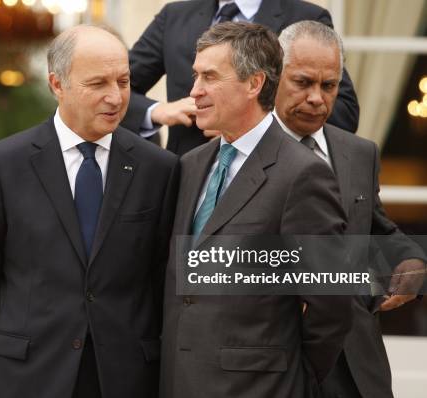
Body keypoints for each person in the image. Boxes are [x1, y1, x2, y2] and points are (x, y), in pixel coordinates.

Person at [0, 25, 179, 398]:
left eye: (123, 81)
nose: (115, 97)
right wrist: (9, 352)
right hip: (27, 376)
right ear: (57, 85)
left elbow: (160, 282)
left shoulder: (160, 169)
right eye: (97, 84)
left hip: (126, 377)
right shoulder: (2, 165)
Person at [160, 22, 352, 398]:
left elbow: (332, 305)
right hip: (178, 381)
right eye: (196, 76)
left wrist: (293, 377)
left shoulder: (304, 174)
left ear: (254, 84)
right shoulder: (190, 164)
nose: (194, 91)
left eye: (209, 77)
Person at [274, 20, 427, 398]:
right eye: (303, 82)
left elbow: (377, 227)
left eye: (329, 86)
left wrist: (411, 261)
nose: (317, 98)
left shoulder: (360, 153)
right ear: (272, 76)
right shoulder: (241, 153)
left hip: (357, 362)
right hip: (276, 362)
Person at [122, 0, 360, 155]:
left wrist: (249, 122)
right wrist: (157, 111)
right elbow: (116, 86)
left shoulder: (306, 17)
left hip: (270, 177)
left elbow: (343, 111)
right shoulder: (174, 15)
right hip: (186, 180)